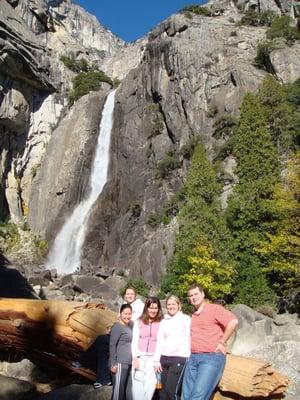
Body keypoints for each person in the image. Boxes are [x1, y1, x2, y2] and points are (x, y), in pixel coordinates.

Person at [182, 283, 239, 400]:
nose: (193, 297)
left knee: (198, 396)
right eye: (191, 295)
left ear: (203, 294)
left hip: (210, 358)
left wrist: (222, 342)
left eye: (196, 294)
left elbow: (233, 321)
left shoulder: (214, 308)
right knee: (186, 395)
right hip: (193, 358)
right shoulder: (193, 315)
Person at [153, 295, 190, 399]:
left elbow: (190, 338)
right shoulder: (164, 321)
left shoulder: (185, 319)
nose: (171, 306)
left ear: (179, 305)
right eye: (169, 304)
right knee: (161, 391)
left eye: (173, 304)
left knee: (171, 391)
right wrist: (156, 361)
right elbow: (159, 341)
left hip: (179, 358)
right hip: (163, 359)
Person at [131, 297, 163, 400]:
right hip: (140, 358)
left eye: (155, 308)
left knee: (150, 388)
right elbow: (134, 340)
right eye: (150, 308)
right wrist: (134, 358)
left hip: (153, 359)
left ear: (159, 309)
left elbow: (162, 342)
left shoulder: (162, 322)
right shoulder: (138, 321)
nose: (153, 310)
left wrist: (157, 360)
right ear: (146, 308)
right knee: (137, 388)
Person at [110, 303, 133, 400]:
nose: (127, 316)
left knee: (127, 393)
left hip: (128, 363)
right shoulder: (117, 326)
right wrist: (113, 363)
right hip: (119, 363)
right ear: (120, 314)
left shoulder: (129, 326)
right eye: (125, 314)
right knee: (118, 393)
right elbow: (112, 345)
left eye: (129, 314)